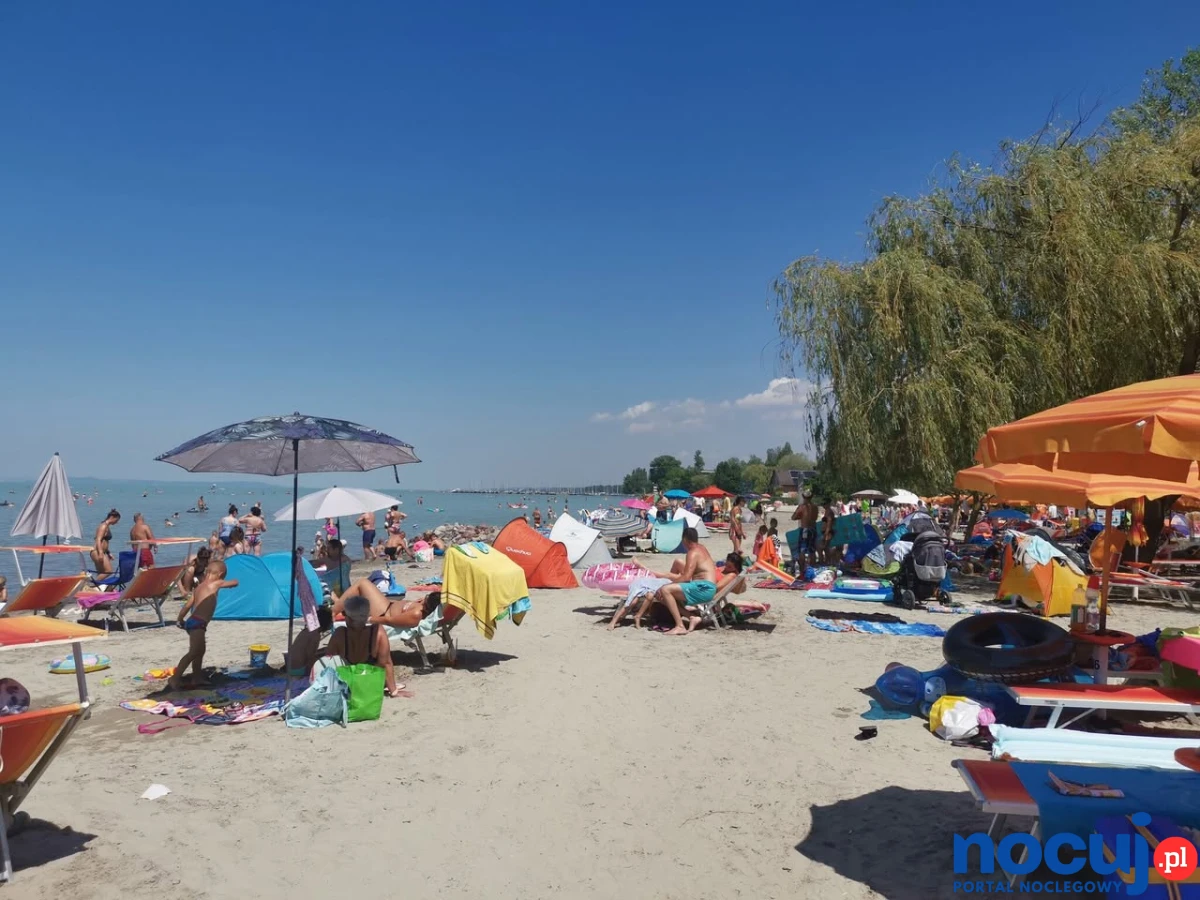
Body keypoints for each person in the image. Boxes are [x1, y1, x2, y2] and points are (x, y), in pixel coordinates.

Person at [169, 559, 239, 691]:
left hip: (192, 621)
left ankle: (197, 677)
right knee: (193, 652)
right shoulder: (216, 583)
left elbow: (187, 605)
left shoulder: (198, 588)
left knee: (200, 651)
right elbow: (234, 583)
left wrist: (180, 619)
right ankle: (175, 678)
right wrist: (235, 582)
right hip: (198, 624)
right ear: (220, 574)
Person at [634, 527, 717, 635]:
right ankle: (691, 617)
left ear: (685, 540)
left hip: (703, 589)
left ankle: (680, 626)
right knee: (664, 592)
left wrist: (669, 584)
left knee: (665, 590)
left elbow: (686, 577)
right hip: (706, 587)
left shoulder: (692, 553)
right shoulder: (701, 548)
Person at [324, 594, 403, 698]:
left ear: (348, 618)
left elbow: (329, 661)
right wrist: (394, 691)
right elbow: (386, 663)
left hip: (349, 685)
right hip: (370, 684)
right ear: (367, 616)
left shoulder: (340, 634)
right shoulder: (377, 633)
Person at [91, 509, 121, 574]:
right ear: (112, 517)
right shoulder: (103, 526)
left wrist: (108, 553)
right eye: (116, 520)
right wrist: (101, 553)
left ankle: (95, 581)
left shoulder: (106, 526)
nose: (116, 522)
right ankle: (93, 580)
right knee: (108, 571)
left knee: (102, 573)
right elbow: (98, 539)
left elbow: (104, 541)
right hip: (97, 551)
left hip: (101, 552)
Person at [792, 493, 819, 567]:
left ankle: (802, 569)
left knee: (802, 549)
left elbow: (793, 517)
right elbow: (816, 517)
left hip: (805, 529)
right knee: (812, 550)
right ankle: (812, 568)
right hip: (813, 529)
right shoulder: (815, 507)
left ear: (804, 498)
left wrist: (800, 516)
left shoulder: (802, 507)